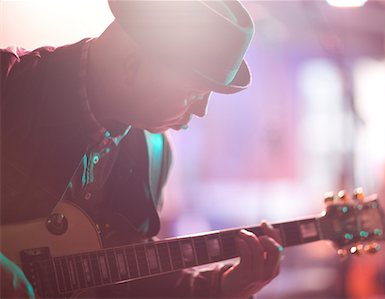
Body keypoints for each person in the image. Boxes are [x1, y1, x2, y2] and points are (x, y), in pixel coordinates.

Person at [1, 1, 283, 298]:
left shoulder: (155, 152)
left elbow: (128, 278)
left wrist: (222, 286)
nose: (201, 111)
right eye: (193, 94)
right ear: (133, 68)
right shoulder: (8, 83)